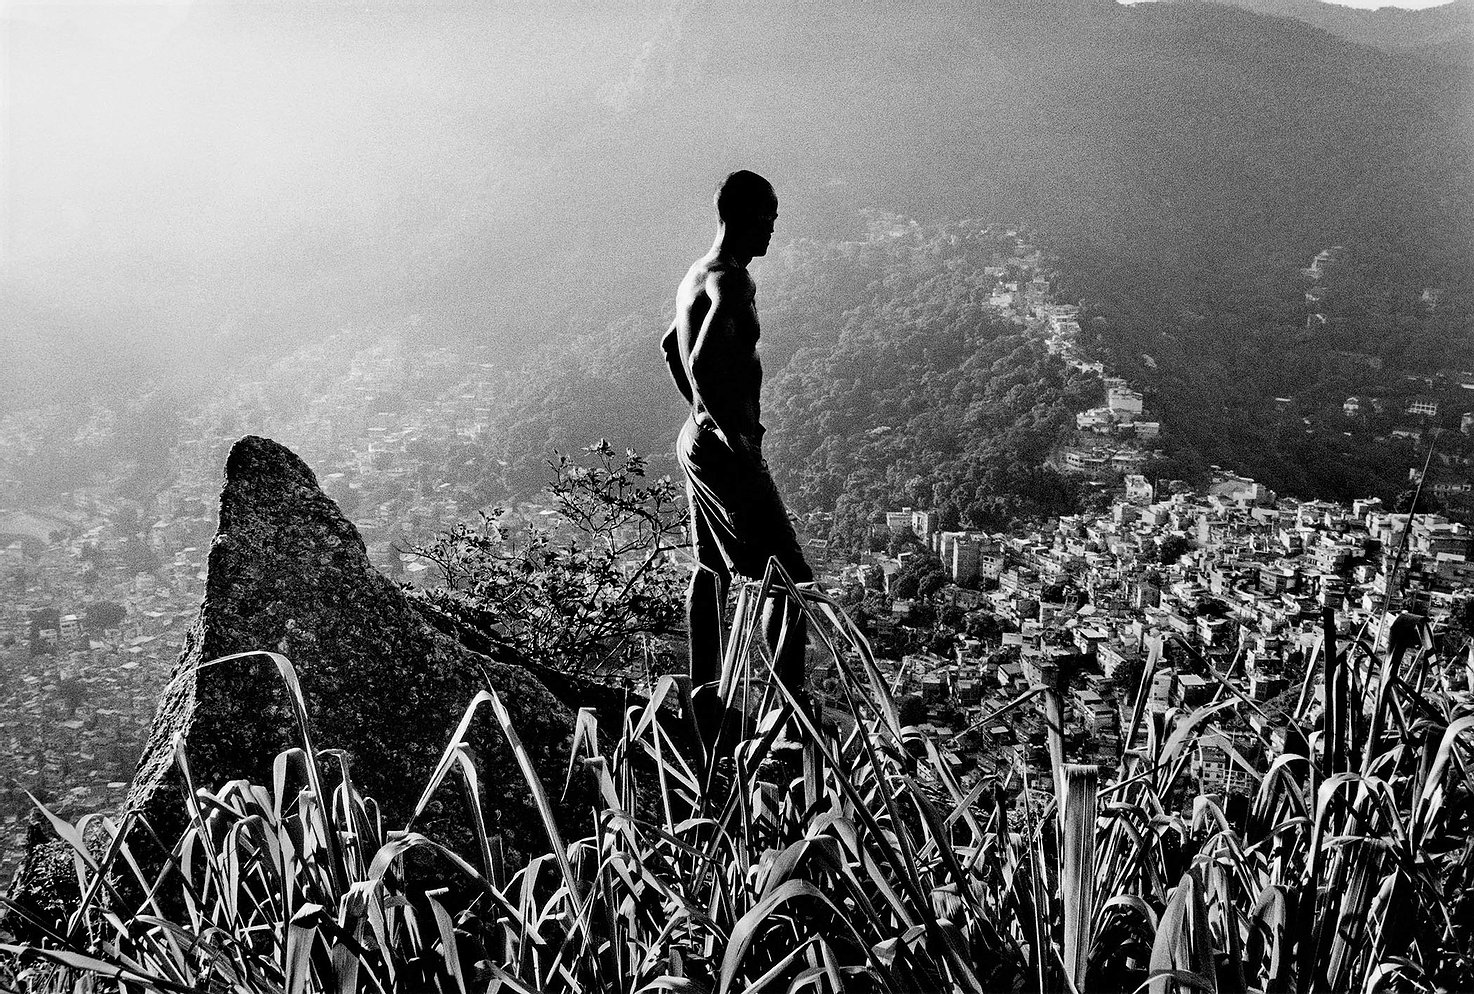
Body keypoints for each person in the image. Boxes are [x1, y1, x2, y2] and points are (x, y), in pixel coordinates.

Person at [661, 169, 813, 717]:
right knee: (790, 581)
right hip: (725, 449)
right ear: (742, 215)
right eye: (768, 216)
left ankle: (705, 693)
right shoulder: (732, 280)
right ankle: (790, 714)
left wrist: (700, 415)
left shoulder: (694, 276)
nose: (774, 228)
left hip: (697, 440)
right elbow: (698, 360)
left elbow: (667, 348)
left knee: (710, 570)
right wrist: (733, 436)